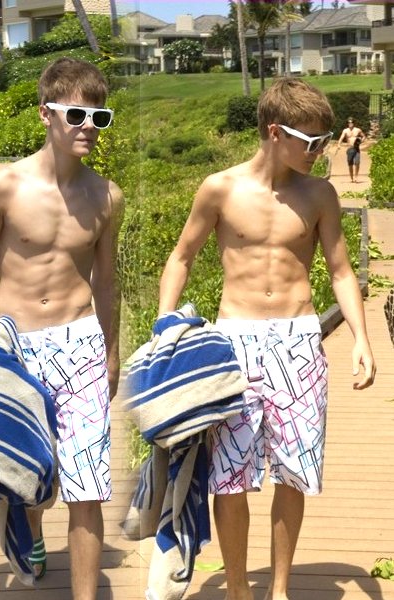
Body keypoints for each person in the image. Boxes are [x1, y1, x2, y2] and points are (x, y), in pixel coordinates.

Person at [158, 78, 376, 600]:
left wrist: (362, 338)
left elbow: (341, 271)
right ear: (275, 132)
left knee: (294, 472)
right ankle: (238, 589)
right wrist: (164, 326)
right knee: (229, 475)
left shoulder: (319, 194)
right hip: (235, 341)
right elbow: (182, 256)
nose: (320, 151)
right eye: (311, 141)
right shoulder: (220, 188)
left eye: (325, 141)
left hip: (299, 343)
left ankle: (278, 589)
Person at [0, 57, 124, 600]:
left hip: (81, 345)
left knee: (88, 486)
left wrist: (112, 355)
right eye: (76, 114)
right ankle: (26, 521)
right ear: (45, 114)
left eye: (99, 117)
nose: (88, 126)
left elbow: (106, 283)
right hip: (17, 346)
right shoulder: (4, 186)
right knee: (34, 478)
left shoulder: (107, 197)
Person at [337, 117, 366, 183]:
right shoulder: (345, 131)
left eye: (351, 122)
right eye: (349, 122)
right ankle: (351, 177)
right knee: (350, 163)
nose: (350, 124)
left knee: (357, 162)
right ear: (347, 123)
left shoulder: (358, 130)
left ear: (354, 123)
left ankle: (356, 177)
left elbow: (364, 136)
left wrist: (361, 141)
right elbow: (341, 138)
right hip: (350, 149)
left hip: (356, 148)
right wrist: (339, 144)